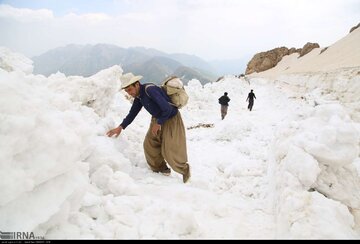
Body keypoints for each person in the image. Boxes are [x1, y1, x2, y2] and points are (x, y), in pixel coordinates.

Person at [106, 73, 191, 183]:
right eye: (126, 91)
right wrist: (121, 127)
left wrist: (158, 123)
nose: (129, 93)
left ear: (137, 84)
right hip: (157, 119)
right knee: (150, 145)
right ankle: (161, 168)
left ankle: (185, 170)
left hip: (170, 119)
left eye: (130, 89)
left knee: (170, 149)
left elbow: (167, 109)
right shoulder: (139, 97)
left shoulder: (150, 90)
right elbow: (132, 113)